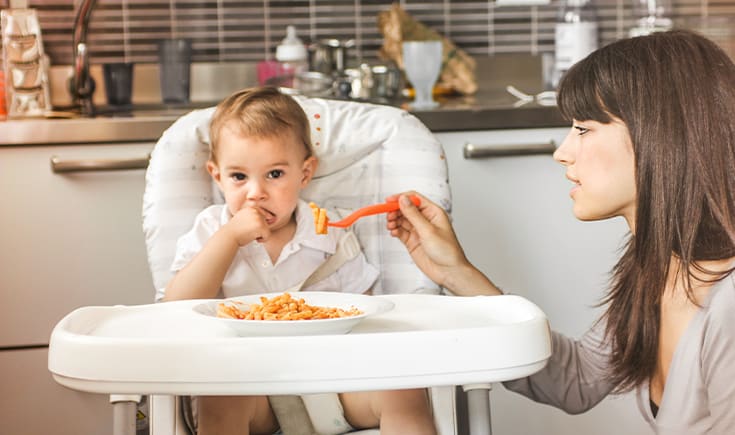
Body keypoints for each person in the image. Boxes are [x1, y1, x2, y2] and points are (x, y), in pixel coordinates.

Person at [386, 29, 735, 434]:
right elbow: (576, 381)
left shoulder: (728, 307)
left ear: (658, 135)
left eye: (583, 129)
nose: (562, 151)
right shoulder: (656, 269)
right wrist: (454, 272)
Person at [163, 86, 437, 435]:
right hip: (250, 390)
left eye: (274, 174)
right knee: (217, 397)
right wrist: (229, 239)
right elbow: (173, 309)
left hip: (333, 385)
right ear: (217, 176)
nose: (256, 192)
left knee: (405, 388)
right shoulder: (210, 230)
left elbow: (366, 320)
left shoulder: (331, 234)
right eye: (239, 177)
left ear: (305, 174)